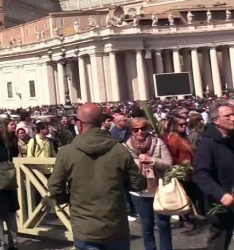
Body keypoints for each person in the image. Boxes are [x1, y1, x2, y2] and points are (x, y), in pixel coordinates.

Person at [48, 103, 146, 250]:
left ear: (79, 125)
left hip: (84, 226)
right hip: (115, 225)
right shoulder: (120, 150)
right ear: (102, 122)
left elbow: (55, 187)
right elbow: (138, 184)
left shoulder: (66, 153)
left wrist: (67, 200)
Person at [123, 117, 173, 250]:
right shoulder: (125, 146)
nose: (140, 132)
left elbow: (169, 164)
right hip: (138, 191)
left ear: (148, 129)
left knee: (163, 224)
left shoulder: (158, 143)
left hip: (158, 188)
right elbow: (124, 169)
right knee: (147, 225)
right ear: (132, 131)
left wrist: (152, 160)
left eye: (143, 128)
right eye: (136, 129)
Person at [194, 101, 234, 249]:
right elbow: (200, 174)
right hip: (221, 204)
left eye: (233, 114)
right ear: (216, 120)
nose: (233, 118)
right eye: (228, 116)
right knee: (219, 242)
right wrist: (220, 195)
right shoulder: (206, 143)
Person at [165, 115, 199, 228]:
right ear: (174, 126)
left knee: (191, 196)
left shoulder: (184, 137)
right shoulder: (174, 139)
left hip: (191, 171)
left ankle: (189, 217)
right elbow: (171, 156)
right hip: (182, 172)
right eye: (181, 124)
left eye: (185, 124)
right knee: (185, 196)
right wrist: (179, 167)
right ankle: (185, 219)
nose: (184, 126)